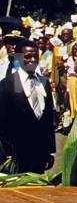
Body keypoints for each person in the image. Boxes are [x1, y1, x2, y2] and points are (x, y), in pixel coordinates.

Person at [0, 40, 56, 173]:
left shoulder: (43, 82)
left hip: (40, 155)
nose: (32, 60)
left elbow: (47, 119)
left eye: (35, 56)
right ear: (19, 57)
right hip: (16, 156)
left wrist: (50, 151)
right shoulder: (9, 84)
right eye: (27, 56)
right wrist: (6, 153)